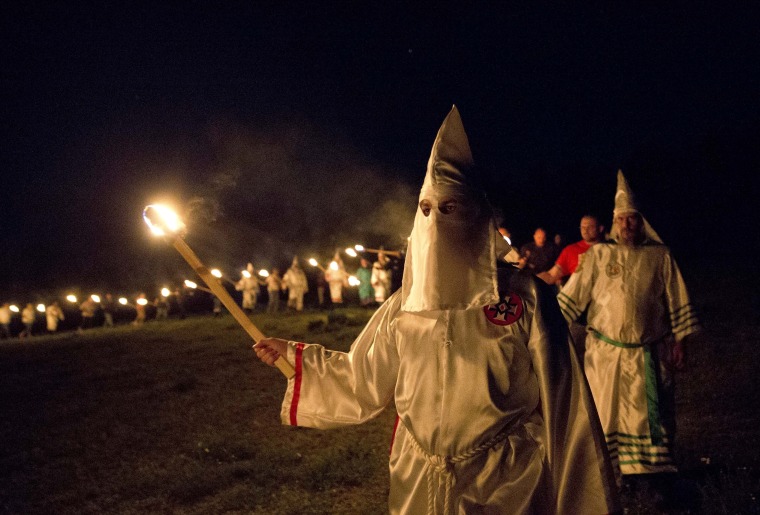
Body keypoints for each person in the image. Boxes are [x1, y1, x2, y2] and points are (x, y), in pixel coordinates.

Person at [255, 106, 619, 514]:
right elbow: (363, 377)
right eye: (427, 209)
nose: (438, 221)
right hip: (419, 477)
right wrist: (291, 355)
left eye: (451, 208)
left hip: (504, 480)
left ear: (476, 215)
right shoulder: (403, 306)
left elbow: (565, 402)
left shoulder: (523, 299)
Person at [558, 170, 701, 498]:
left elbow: (676, 296)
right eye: (621, 220)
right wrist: (551, 326)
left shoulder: (660, 256)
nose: (626, 226)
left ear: (641, 222)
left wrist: (680, 339)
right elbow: (574, 296)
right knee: (605, 414)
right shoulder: (598, 255)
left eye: (632, 220)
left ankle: (651, 478)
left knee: (647, 418)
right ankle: (610, 478)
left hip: (646, 353)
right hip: (604, 354)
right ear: (614, 223)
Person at [538, 215, 605, 287]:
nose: (585, 231)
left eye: (590, 227)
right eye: (582, 227)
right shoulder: (570, 250)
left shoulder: (610, 249)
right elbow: (551, 275)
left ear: (600, 228)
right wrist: (529, 282)